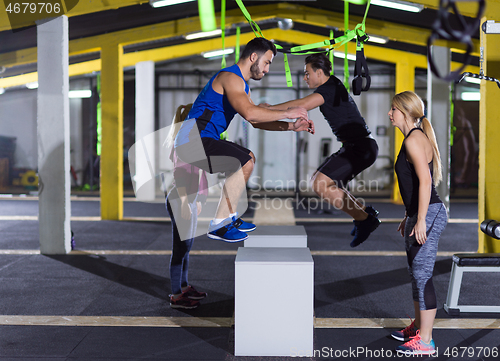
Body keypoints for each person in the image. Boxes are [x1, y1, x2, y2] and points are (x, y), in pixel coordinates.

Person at [175, 37, 314, 243]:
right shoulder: (230, 77)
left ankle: (228, 218)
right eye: (266, 62)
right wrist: (288, 112)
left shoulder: (243, 87)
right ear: (253, 57)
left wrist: (291, 126)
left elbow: (257, 120)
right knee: (245, 160)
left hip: (202, 140)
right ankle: (219, 224)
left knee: (245, 159)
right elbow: (251, 114)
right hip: (192, 140)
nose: (266, 70)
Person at [261, 53, 379, 247]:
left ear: (319, 72)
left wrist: (270, 109)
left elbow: (301, 105)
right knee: (321, 181)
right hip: (356, 146)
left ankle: (365, 219)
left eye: (307, 73)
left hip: (361, 147)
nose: (305, 77)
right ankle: (364, 212)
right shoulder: (331, 85)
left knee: (320, 184)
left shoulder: (329, 88)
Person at [389, 91, 448, 356]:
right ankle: (417, 329)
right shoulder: (411, 138)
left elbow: (426, 182)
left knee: (423, 275)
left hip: (430, 213)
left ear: (405, 112)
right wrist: (409, 215)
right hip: (419, 212)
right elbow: (413, 184)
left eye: (393, 109)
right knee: (416, 273)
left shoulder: (414, 139)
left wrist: (421, 218)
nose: (389, 114)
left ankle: (426, 342)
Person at [166, 104, 209, 309]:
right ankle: (176, 295)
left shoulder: (193, 142)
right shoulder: (182, 143)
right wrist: (184, 201)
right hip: (179, 198)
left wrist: (199, 200)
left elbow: (200, 175)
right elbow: (179, 174)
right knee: (180, 248)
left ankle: (183, 287)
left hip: (189, 199)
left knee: (187, 248)